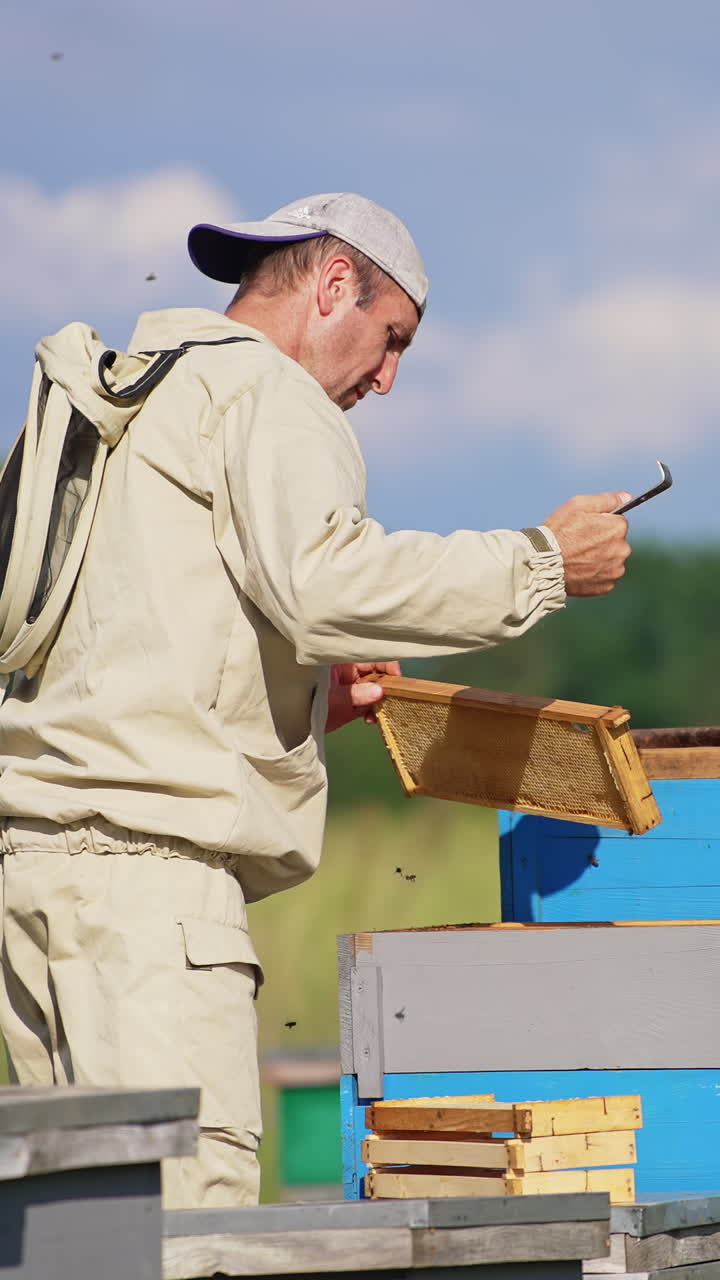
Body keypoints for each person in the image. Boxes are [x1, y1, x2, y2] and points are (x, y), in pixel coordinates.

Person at [0, 192, 631, 1209]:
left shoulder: (125, 398)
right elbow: (328, 582)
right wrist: (541, 561)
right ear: (334, 283)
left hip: (32, 894)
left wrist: (290, 703)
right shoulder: (268, 393)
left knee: (82, 1241)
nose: (386, 377)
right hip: (152, 909)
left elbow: (113, 646)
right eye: (392, 339)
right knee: (185, 1236)